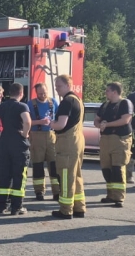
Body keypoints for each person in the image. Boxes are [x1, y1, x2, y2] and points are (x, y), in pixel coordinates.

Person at [0, 83, 31, 215]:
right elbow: (27, 121)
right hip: (18, 144)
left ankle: (2, 206)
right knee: (19, 175)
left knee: (4, 174)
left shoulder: (2, 106)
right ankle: (17, 207)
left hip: (4, 143)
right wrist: (25, 134)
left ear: (9, 93)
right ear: (21, 93)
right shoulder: (22, 106)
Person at [50, 75, 86, 219]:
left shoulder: (67, 102)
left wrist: (49, 123)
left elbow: (60, 125)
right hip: (77, 140)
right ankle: (79, 208)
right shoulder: (77, 100)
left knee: (65, 176)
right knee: (76, 175)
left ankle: (66, 210)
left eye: (58, 85)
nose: (56, 88)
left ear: (67, 85)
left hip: (67, 143)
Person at [95, 82, 134, 208]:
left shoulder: (125, 103)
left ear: (115, 92)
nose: (106, 93)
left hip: (120, 140)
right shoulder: (105, 105)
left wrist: (107, 124)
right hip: (106, 139)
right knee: (106, 169)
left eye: (107, 91)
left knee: (118, 168)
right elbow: (97, 118)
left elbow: (125, 120)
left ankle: (119, 197)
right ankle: (110, 195)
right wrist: (99, 124)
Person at [29, 83, 60, 201]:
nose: (43, 95)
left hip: (51, 136)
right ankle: (39, 191)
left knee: (54, 165)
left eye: (44, 93)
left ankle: (56, 191)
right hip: (36, 135)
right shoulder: (30, 104)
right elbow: (27, 122)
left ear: (48, 90)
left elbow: (58, 119)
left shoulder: (53, 102)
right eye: (40, 93)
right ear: (36, 93)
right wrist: (40, 122)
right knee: (38, 165)